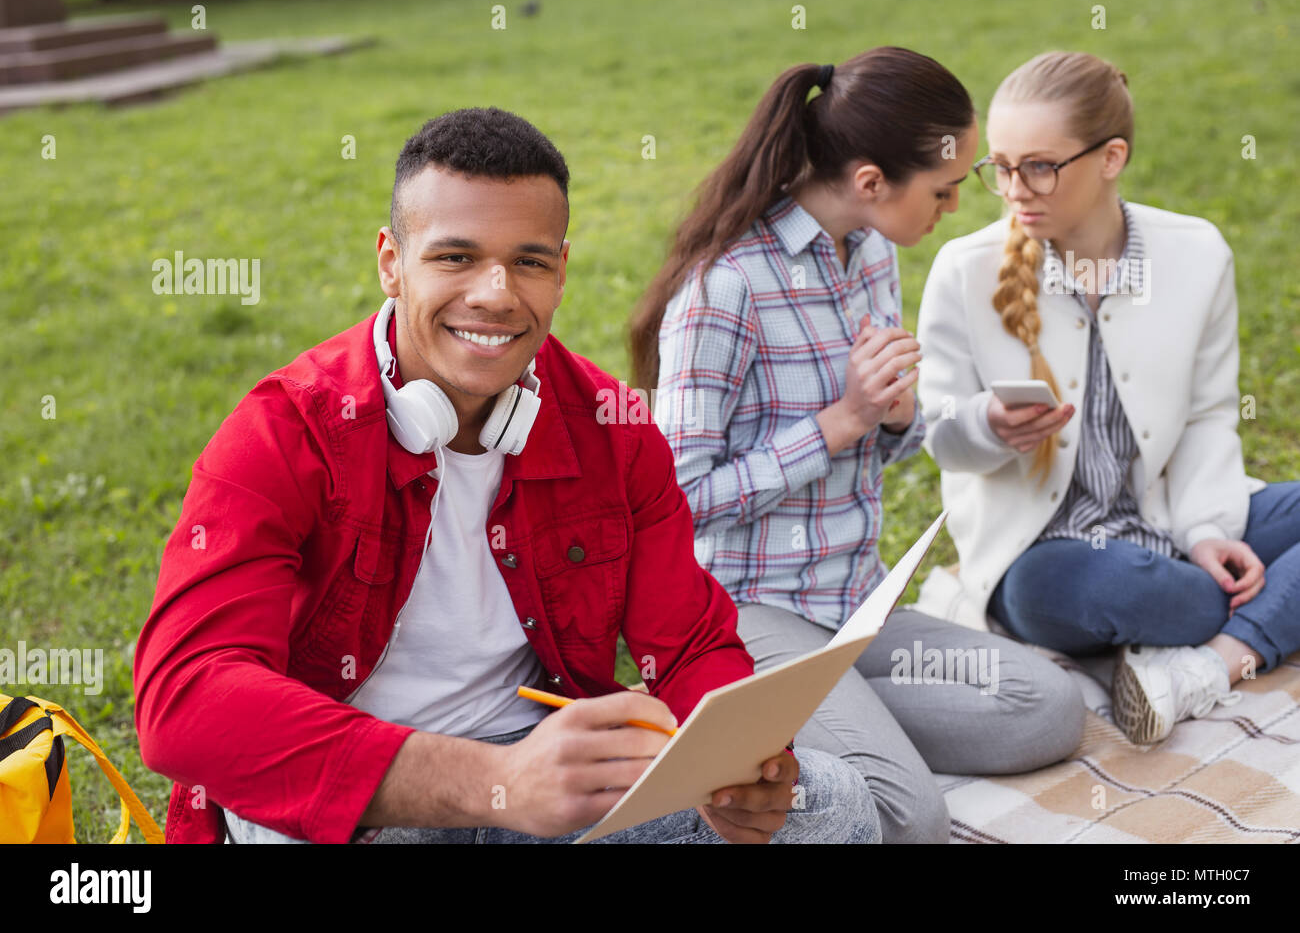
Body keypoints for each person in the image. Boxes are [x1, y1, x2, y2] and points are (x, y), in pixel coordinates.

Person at [133, 107, 878, 844]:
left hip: (539, 768)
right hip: (355, 804)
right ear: (391, 262)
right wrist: (494, 784)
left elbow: (689, 644)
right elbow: (185, 702)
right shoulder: (283, 430)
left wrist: (739, 764)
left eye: (529, 260)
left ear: (561, 270)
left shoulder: (611, 427)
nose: (495, 293)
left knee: (832, 803)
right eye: (455, 257)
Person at [631, 48, 1085, 844]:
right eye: (944, 191)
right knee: (910, 821)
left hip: (854, 607)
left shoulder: (871, 253)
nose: (955, 207)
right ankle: (762, 729)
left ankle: (845, 729)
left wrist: (898, 419)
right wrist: (838, 421)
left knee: (1045, 709)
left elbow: (873, 453)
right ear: (872, 181)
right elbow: (677, 499)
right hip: (751, 613)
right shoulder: (725, 288)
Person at [916, 51, 1300, 745]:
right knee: (1134, 591)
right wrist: (990, 427)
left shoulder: (1197, 254)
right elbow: (936, 429)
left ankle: (1211, 665)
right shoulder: (965, 269)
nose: (1013, 189)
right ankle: (1252, 613)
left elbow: (1210, 416)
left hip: (1168, 518)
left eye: (1039, 165)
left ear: (1111, 157)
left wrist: (1209, 531)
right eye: (998, 167)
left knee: (1192, 573)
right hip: (1042, 556)